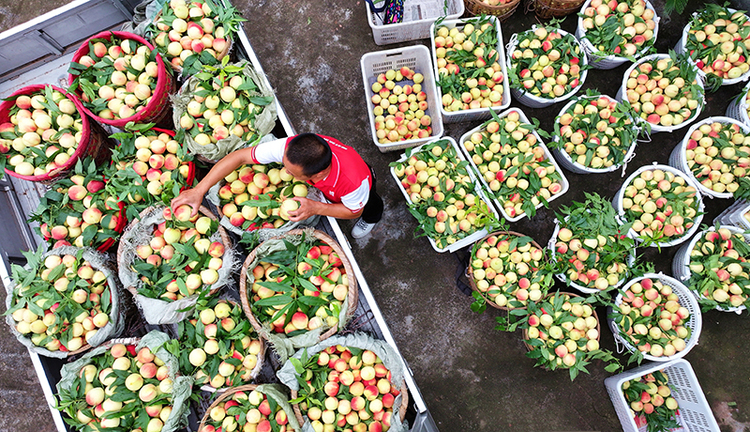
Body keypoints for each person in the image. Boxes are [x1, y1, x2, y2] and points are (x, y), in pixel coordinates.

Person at [171, 133, 383, 238]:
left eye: (291, 173)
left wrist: (316, 207)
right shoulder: (291, 149)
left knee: (371, 205)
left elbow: (353, 211)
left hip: (360, 187)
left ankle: (373, 218)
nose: (285, 172)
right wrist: (199, 190)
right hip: (329, 183)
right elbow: (241, 158)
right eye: (285, 166)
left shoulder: (354, 184)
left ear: (316, 175)